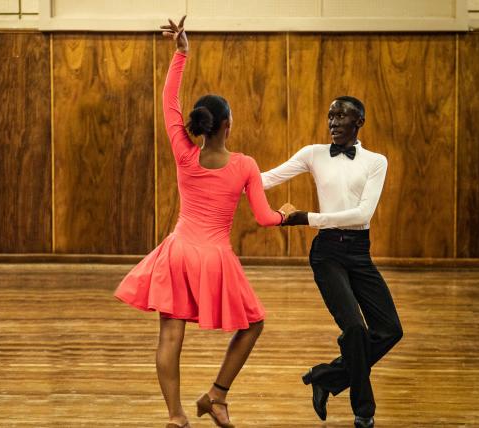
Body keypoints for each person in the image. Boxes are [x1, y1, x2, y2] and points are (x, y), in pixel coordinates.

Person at [114, 16, 295, 428]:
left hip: (178, 253)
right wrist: (286, 215)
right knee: (254, 325)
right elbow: (266, 219)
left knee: (170, 337)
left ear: (201, 127)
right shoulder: (245, 165)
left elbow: (169, 102)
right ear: (227, 125)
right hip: (214, 257)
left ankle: (176, 415)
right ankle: (217, 394)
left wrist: (181, 53)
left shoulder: (185, 153)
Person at [262, 97, 403, 428]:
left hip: (359, 251)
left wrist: (304, 217)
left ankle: (327, 377)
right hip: (327, 254)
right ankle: (364, 412)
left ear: (360, 122)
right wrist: (220, 172)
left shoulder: (376, 161)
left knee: (390, 330)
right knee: (354, 328)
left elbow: (362, 214)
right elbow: (266, 178)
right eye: (331, 116)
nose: (334, 121)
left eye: (343, 116)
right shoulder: (314, 153)